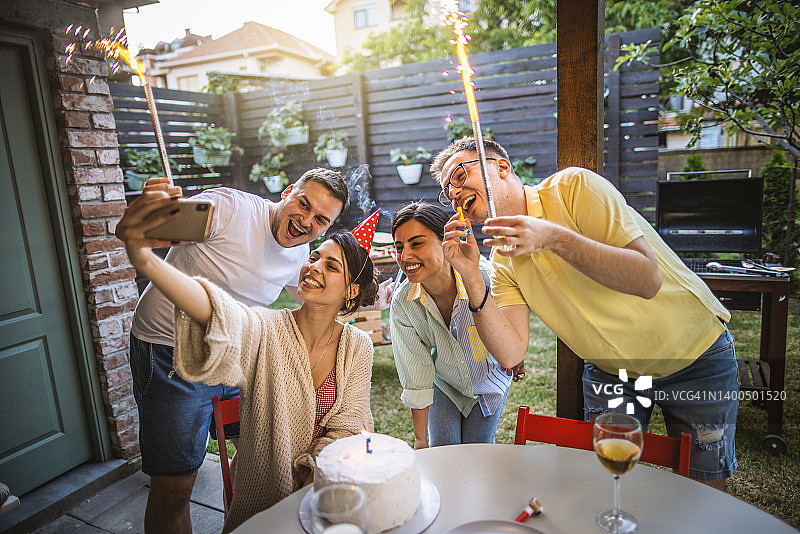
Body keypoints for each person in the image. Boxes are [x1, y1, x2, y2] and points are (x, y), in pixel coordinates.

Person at [433, 137, 738, 489]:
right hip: (612, 373)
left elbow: (647, 279)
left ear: (502, 167)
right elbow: (511, 352)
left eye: (458, 175)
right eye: (446, 191)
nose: (453, 194)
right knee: (608, 485)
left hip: (695, 355)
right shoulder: (502, 261)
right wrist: (471, 276)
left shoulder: (573, 188)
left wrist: (552, 238)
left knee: (703, 489)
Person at [115, 169, 359, 534]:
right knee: (176, 489)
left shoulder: (301, 255)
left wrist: (366, 301)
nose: (305, 221)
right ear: (288, 191)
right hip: (171, 350)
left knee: (271, 459)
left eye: (320, 219)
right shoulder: (230, 210)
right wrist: (147, 211)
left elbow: (313, 300)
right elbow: (136, 232)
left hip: (236, 356)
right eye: (303, 204)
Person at [389, 202, 526, 449]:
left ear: (446, 241)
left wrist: (515, 354)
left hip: (488, 383)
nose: (405, 256)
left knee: (478, 449)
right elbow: (416, 375)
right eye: (399, 247)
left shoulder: (486, 278)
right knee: (442, 449)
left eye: (416, 243)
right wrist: (420, 441)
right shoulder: (403, 305)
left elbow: (512, 327)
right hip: (446, 383)